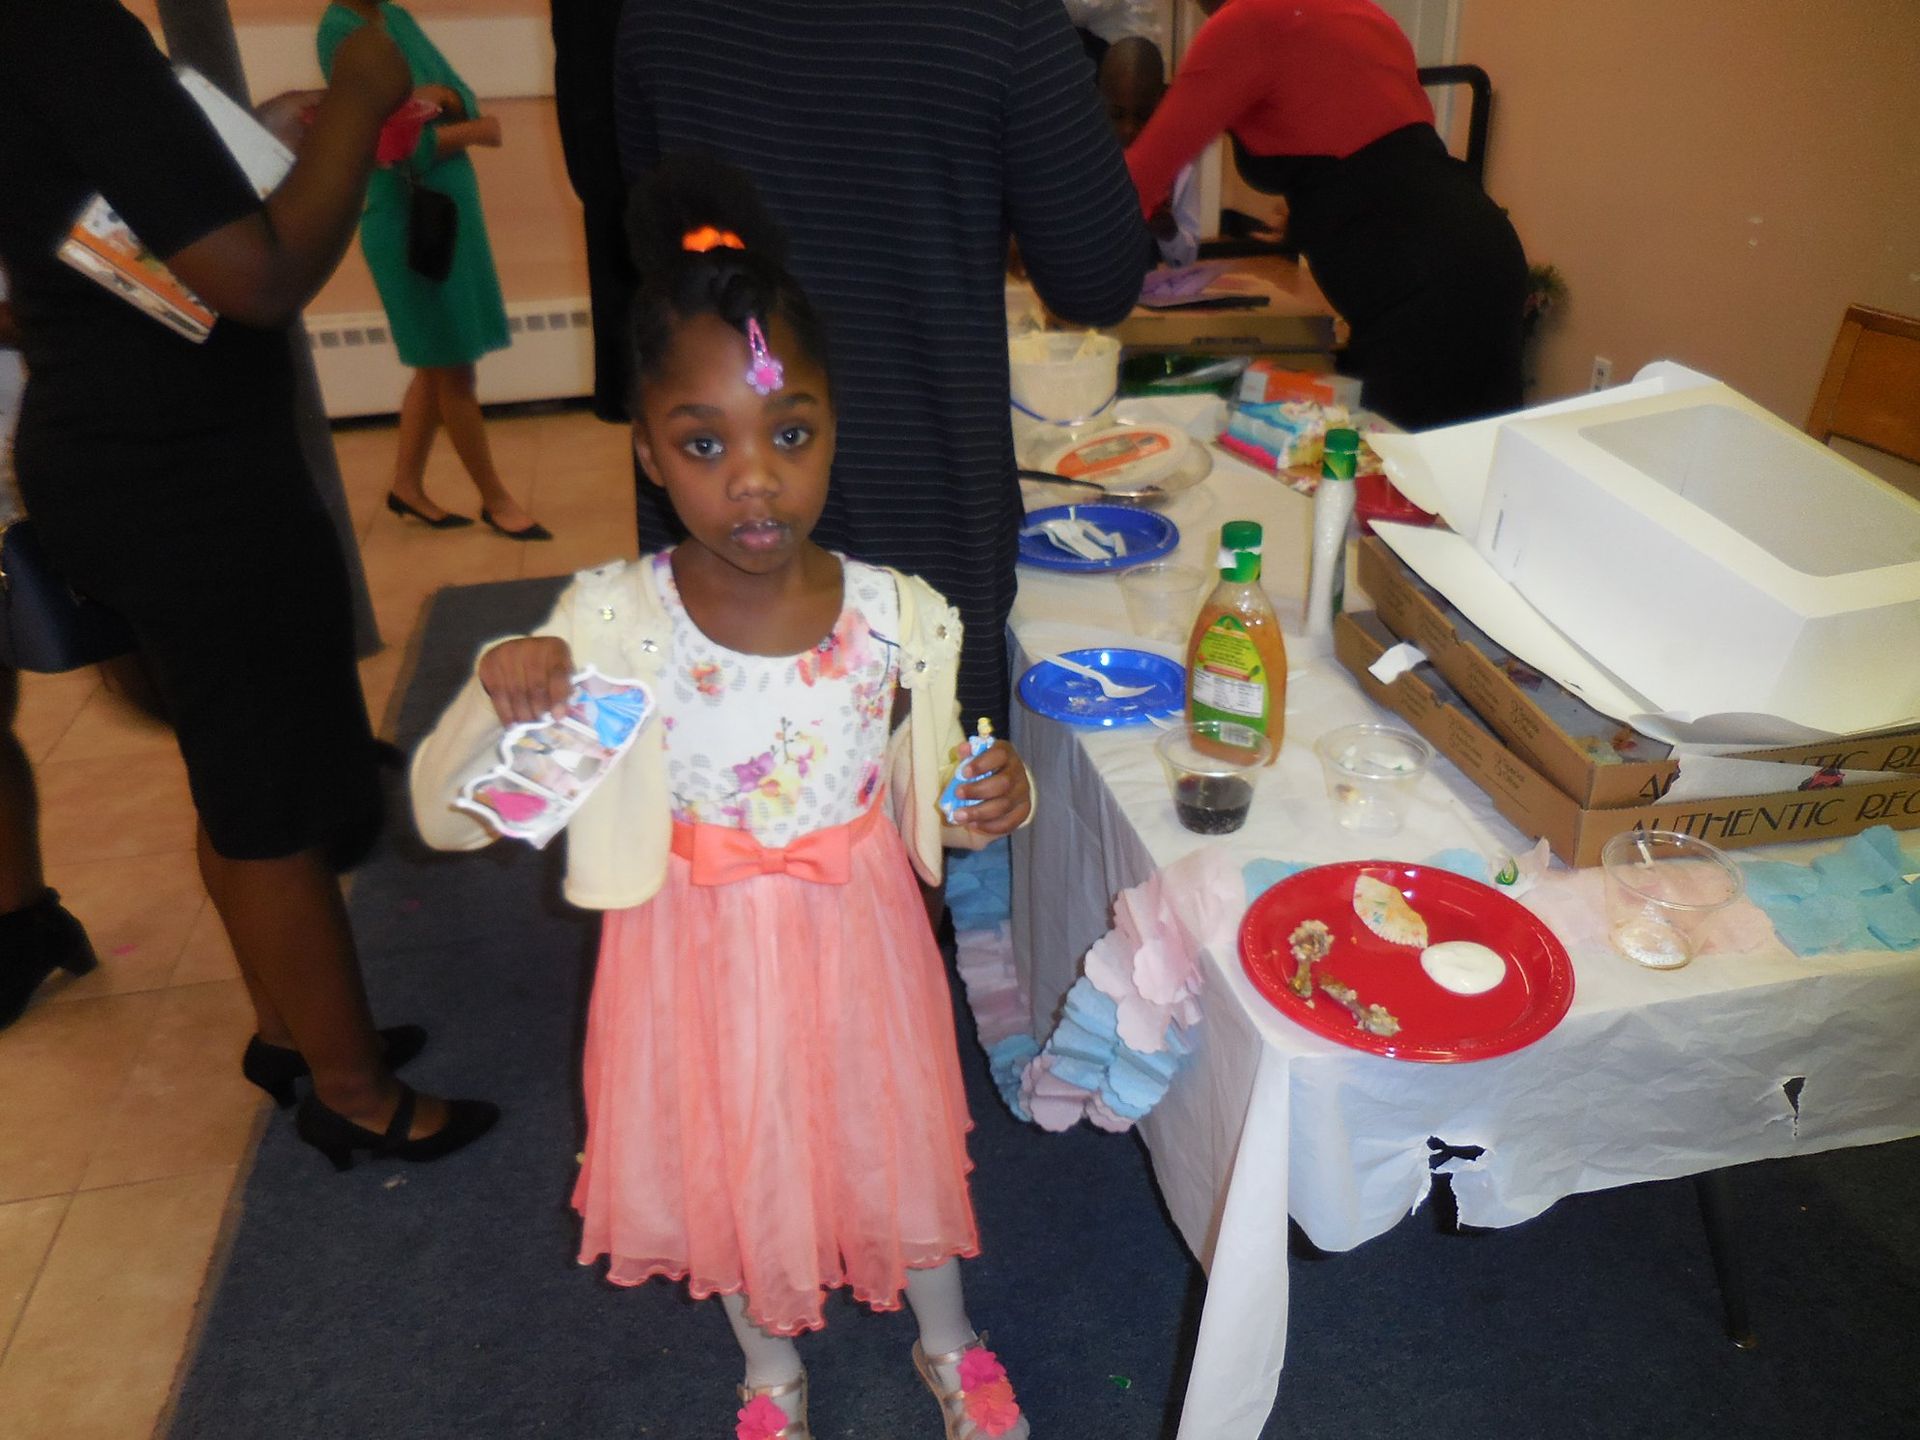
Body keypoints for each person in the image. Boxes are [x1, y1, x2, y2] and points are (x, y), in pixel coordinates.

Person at [411, 156, 1037, 1440]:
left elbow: (949, 805)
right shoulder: (611, 624)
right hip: (686, 955)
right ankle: (769, 1371)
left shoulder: (899, 616)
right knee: (725, 1161)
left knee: (887, 1136)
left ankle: (949, 1338)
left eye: (787, 434)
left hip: (857, 943)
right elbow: (447, 815)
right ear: (647, 448)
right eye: (705, 444)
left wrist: (999, 791)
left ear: (832, 430)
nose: (753, 480)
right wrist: (500, 683)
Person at [0, 0, 496, 1161]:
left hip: (127, 456)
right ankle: (353, 1092)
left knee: (236, 764)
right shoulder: (67, 30)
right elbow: (256, 277)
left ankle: (292, 1033)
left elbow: (104, 220)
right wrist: (362, 104)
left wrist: (267, 133)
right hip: (180, 477)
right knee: (265, 793)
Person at [613, 0, 1149, 735]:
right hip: (923, 494)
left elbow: (653, 240)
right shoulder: (999, 16)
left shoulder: (655, 16)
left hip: (718, 487)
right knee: (922, 794)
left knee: (721, 780)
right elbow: (1097, 278)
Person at [1125, 0, 1530, 429]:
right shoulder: (1360, 12)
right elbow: (1387, 151)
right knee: (1472, 469)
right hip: (1483, 246)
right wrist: (1316, 215)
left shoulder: (1246, 21)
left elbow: (1143, 175)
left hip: (1420, 280)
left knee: (1394, 470)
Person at [318, 1, 551, 540]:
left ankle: (406, 485)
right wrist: (465, 130)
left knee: (434, 360)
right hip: (406, 218)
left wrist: (443, 104)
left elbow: (457, 94)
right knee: (452, 364)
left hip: (446, 209)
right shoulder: (340, 33)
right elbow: (389, 144)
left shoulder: (393, 18)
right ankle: (496, 499)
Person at [1100, 37, 1202, 268]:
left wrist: (1170, 232)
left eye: (1143, 115)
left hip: (1146, 289)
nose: (1129, 129)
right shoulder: (1077, 158)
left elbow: (1186, 257)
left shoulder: (1177, 167)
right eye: (1116, 115)